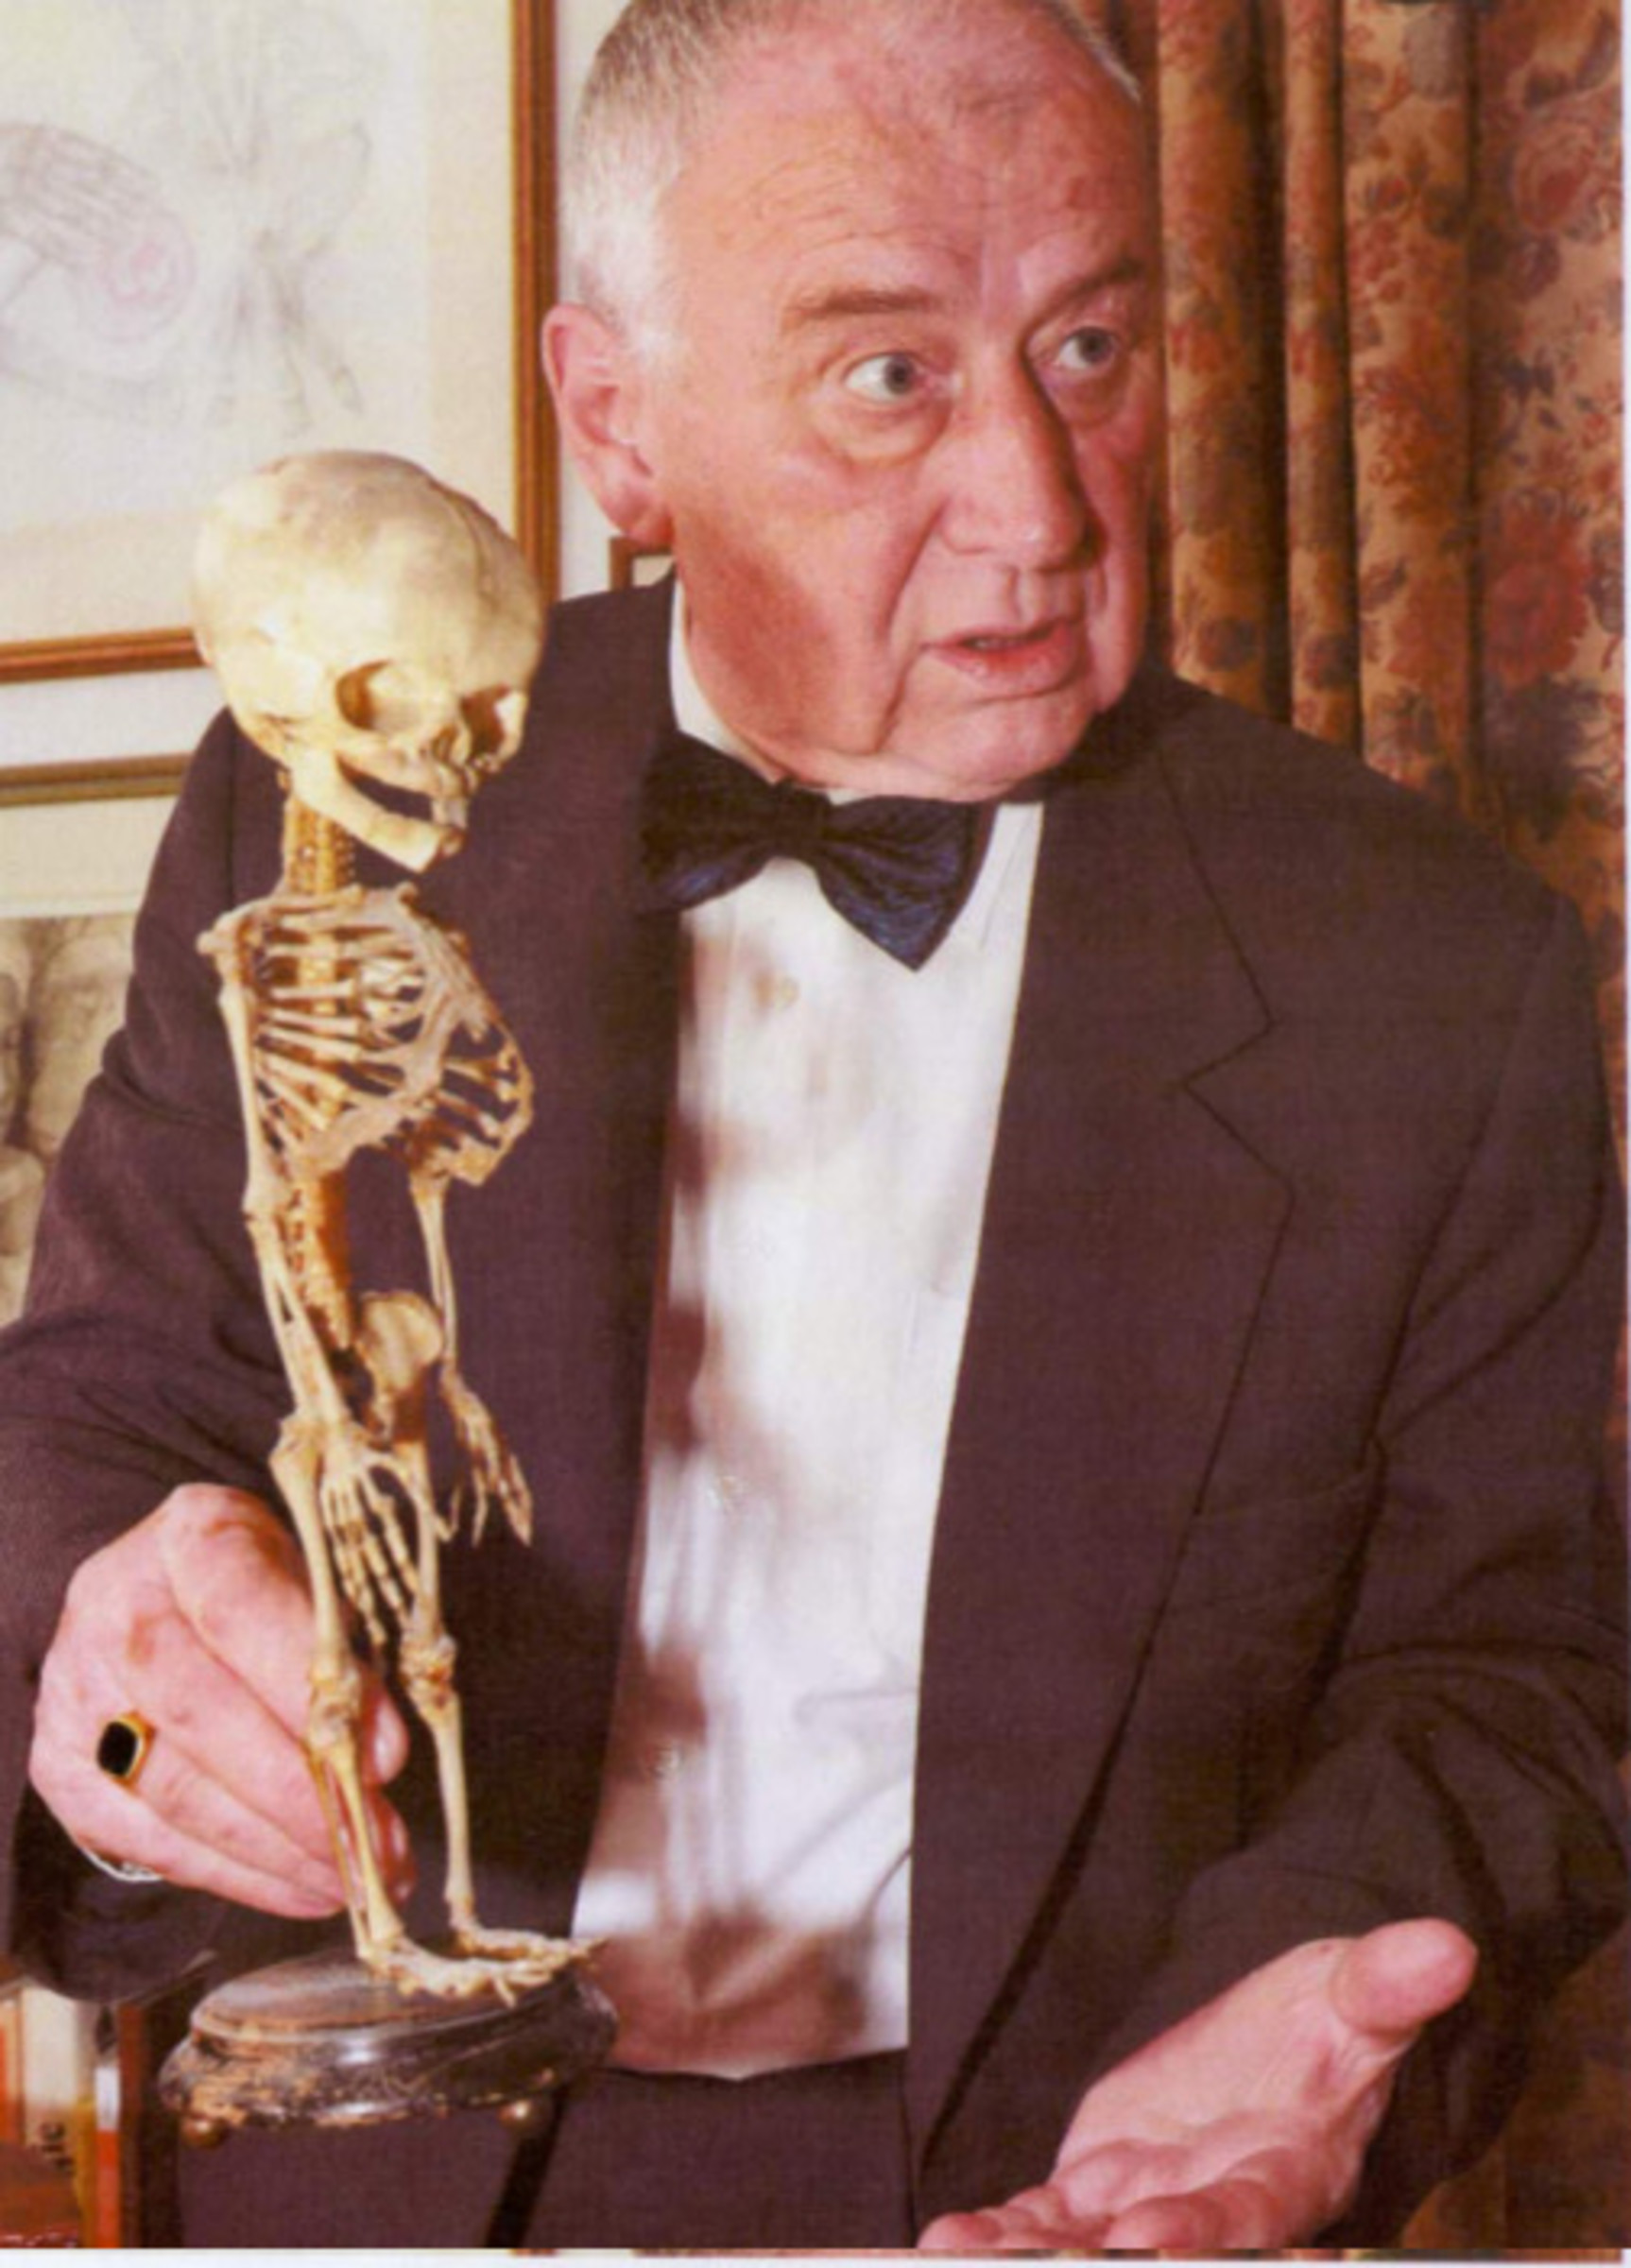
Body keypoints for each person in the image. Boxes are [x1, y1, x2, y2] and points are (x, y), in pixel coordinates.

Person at [2, 0, 1625, 2247]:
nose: (1036, 508)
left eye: (1086, 347)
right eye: (887, 376)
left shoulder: (1428, 966)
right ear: (618, 424)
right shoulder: (347, 808)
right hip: (383, 2181)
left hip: (1060, 2179)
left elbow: (1504, 1664)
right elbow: (97, 1414)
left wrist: (1302, 1985)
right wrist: (121, 1661)